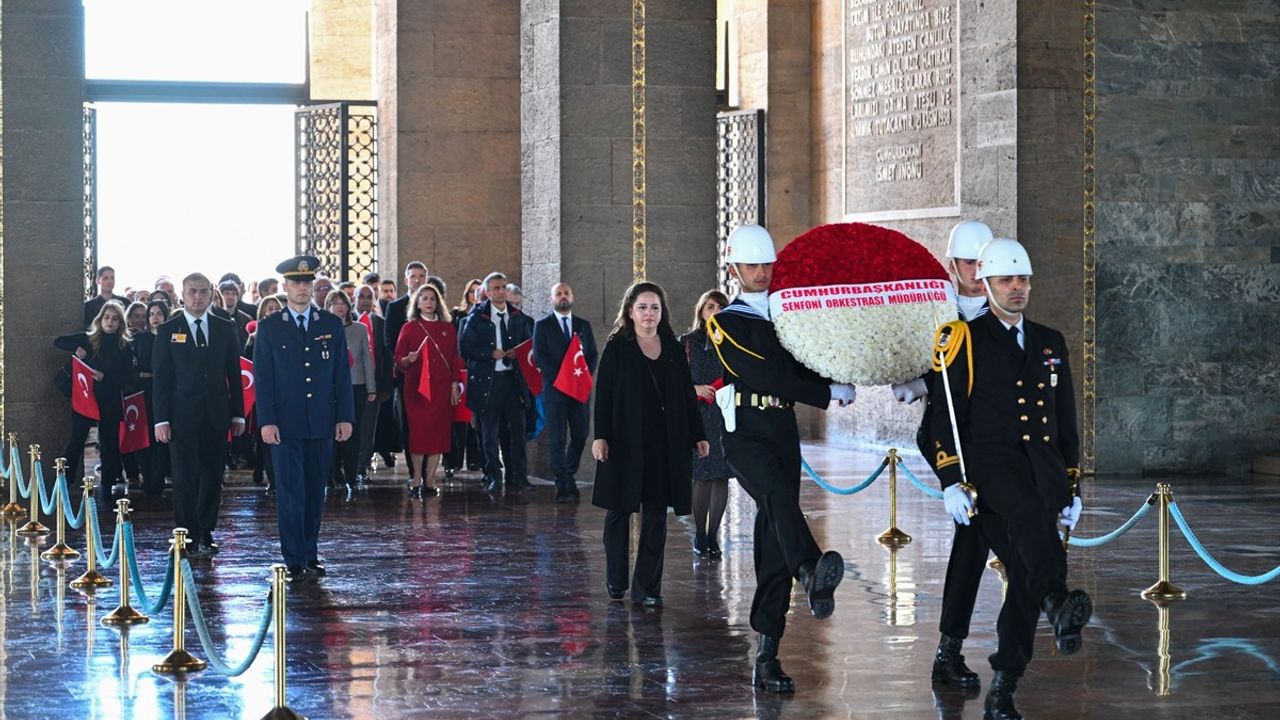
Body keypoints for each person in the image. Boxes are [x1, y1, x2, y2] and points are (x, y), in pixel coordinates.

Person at [926, 238, 1091, 720]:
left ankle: (1004, 687)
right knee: (1028, 519)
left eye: (1022, 280)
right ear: (986, 282)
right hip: (992, 470)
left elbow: (1065, 422)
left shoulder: (1049, 341)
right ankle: (1057, 600)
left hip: (1043, 473)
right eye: (1006, 281)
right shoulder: (964, 338)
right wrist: (950, 479)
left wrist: (1073, 485)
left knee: (1025, 573)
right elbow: (944, 417)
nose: (1016, 289)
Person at [707, 224, 855, 694]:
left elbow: (806, 360)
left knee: (774, 536)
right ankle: (810, 569)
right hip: (745, 434)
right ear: (734, 269)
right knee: (774, 495)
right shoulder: (726, 321)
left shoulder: (788, 315)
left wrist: (847, 371)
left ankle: (767, 655)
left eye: (767, 265)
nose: (762, 272)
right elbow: (766, 374)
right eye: (752, 266)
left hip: (782, 430)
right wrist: (825, 394)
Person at [901, 220, 997, 690]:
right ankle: (952, 651)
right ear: (952, 265)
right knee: (976, 542)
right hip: (952, 440)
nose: (977, 274)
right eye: (968, 264)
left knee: (983, 544)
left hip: (998, 443)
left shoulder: (1004, 314)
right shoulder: (936, 311)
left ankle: (959, 651)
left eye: (983, 264)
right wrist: (951, 478)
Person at [591, 282, 708, 607]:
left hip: (664, 444)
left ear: (662, 312)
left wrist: (698, 434)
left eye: (654, 307)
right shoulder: (618, 346)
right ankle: (616, 579)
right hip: (624, 442)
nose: (648, 313)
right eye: (642, 307)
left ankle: (648, 587)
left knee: (656, 514)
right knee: (619, 510)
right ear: (630, 311)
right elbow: (605, 394)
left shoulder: (671, 346)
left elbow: (686, 393)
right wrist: (600, 436)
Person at [254, 256, 354, 581]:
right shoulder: (270, 327)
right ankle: (294, 557)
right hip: (285, 424)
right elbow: (264, 378)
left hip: (322, 421)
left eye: (307, 282)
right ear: (285, 286)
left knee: (315, 491)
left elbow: (341, 375)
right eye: (295, 282)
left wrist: (345, 417)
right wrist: (266, 421)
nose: (302, 287)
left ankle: (310, 553)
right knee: (290, 491)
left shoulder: (330, 324)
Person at [152, 273, 246, 556]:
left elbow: (234, 372)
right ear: (183, 294)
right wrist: (161, 419)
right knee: (184, 477)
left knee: (212, 475)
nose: (197, 297)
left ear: (211, 294)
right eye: (192, 292)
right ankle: (186, 534)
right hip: (181, 417)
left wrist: (238, 415)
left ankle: (206, 531)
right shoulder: (169, 329)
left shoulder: (224, 327)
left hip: (216, 415)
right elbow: (162, 379)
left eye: (203, 292)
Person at [459, 272, 534, 494]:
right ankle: (493, 475)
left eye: (503, 287)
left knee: (517, 432)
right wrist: (489, 353)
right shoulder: (477, 317)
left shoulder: (518, 316)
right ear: (488, 292)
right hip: (488, 383)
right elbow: (465, 348)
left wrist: (516, 354)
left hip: (512, 381)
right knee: (488, 434)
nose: (501, 291)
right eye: (496, 288)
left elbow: (529, 347)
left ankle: (518, 476)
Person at [56, 300, 134, 506]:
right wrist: (77, 352)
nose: (110, 322)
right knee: (76, 440)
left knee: (109, 443)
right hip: (86, 397)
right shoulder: (89, 339)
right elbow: (59, 341)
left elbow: (127, 377)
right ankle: (64, 482)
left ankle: (107, 485)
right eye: (107, 317)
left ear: (120, 323)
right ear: (100, 319)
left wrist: (105, 377)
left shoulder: (125, 345)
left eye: (115, 319)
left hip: (109, 397)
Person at [394, 284, 464, 497]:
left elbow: (454, 358)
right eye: (424, 298)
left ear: (438, 302)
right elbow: (397, 359)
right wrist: (408, 359)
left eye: (432, 298)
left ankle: (431, 480)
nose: (428, 302)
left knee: (438, 434)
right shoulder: (409, 327)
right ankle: (416, 477)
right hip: (417, 389)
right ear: (417, 302)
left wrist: (454, 386)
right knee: (419, 434)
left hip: (442, 388)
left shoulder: (448, 327)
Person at [679, 290, 733, 557]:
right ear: (701, 311)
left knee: (721, 476)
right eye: (710, 306)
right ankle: (700, 534)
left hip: (725, 413)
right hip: (697, 414)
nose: (715, 311)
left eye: (720, 306)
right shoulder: (687, 342)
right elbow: (673, 380)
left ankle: (714, 536)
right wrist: (695, 389)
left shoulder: (733, 341)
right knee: (701, 477)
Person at [532, 282, 598, 503]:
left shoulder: (583, 325)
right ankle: (562, 482)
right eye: (558, 294)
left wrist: (581, 376)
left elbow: (592, 354)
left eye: (566, 293)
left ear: (572, 297)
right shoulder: (543, 326)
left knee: (580, 435)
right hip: (555, 391)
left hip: (579, 391)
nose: (562, 296)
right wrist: (562, 379)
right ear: (552, 299)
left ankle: (569, 473)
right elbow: (541, 356)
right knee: (558, 439)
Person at [326, 291, 376, 491]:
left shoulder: (360, 329)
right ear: (328, 307)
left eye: (342, 303)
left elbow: (366, 359)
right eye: (335, 303)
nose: (339, 307)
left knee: (353, 433)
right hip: (330, 389)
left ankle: (351, 477)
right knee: (331, 433)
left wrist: (371, 388)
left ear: (348, 306)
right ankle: (331, 474)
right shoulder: (321, 328)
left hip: (356, 386)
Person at [384, 261, 429, 474]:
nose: (417, 280)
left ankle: (429, 468)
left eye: (421, 276)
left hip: (432, 374)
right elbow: (389, 340)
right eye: (413, 276)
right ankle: (414, 470)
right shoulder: (395, 307)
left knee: (430, 419)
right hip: (406, 373)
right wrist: (404, 358)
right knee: (410, 420)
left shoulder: (434, 306)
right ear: (406, 280)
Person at [443, 278, 484, 477]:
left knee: (475, 418)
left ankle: (475, 460)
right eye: (472, 292)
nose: (475, 296)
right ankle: (454, 461)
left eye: (479, 292)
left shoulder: (486, 315)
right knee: (457, 420)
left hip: (478, 370)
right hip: (459, 371)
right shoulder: (457, 315)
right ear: (467, 294)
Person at [244, 294, 284, 494]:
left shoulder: (289, 332)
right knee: (266, 441)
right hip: (263, 396)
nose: (273, 311)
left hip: (285, 395)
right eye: (269, 308)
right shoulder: (256, 337)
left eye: (276, 307)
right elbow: (247, 366)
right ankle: (273, 480)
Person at [353, 285, 392, 486]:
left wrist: (384, 387)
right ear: (355, 299)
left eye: (369, 297)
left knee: (367, 429)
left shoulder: (379, 323)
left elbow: (386, 357)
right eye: (362, 296)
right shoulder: (347, 321)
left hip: (372, 386)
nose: (365, 300)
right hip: (351, 384)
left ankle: (362, 467)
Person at [135, 299, 171, 497]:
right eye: (151, 314)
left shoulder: (172, 336)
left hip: (165, 395)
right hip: (144, 395)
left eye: (159, 313)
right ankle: (146, 478)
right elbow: (137, 370)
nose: (155, 318)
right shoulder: (141, 338)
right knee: (144, 438)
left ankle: (157, 481)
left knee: (161, 441)